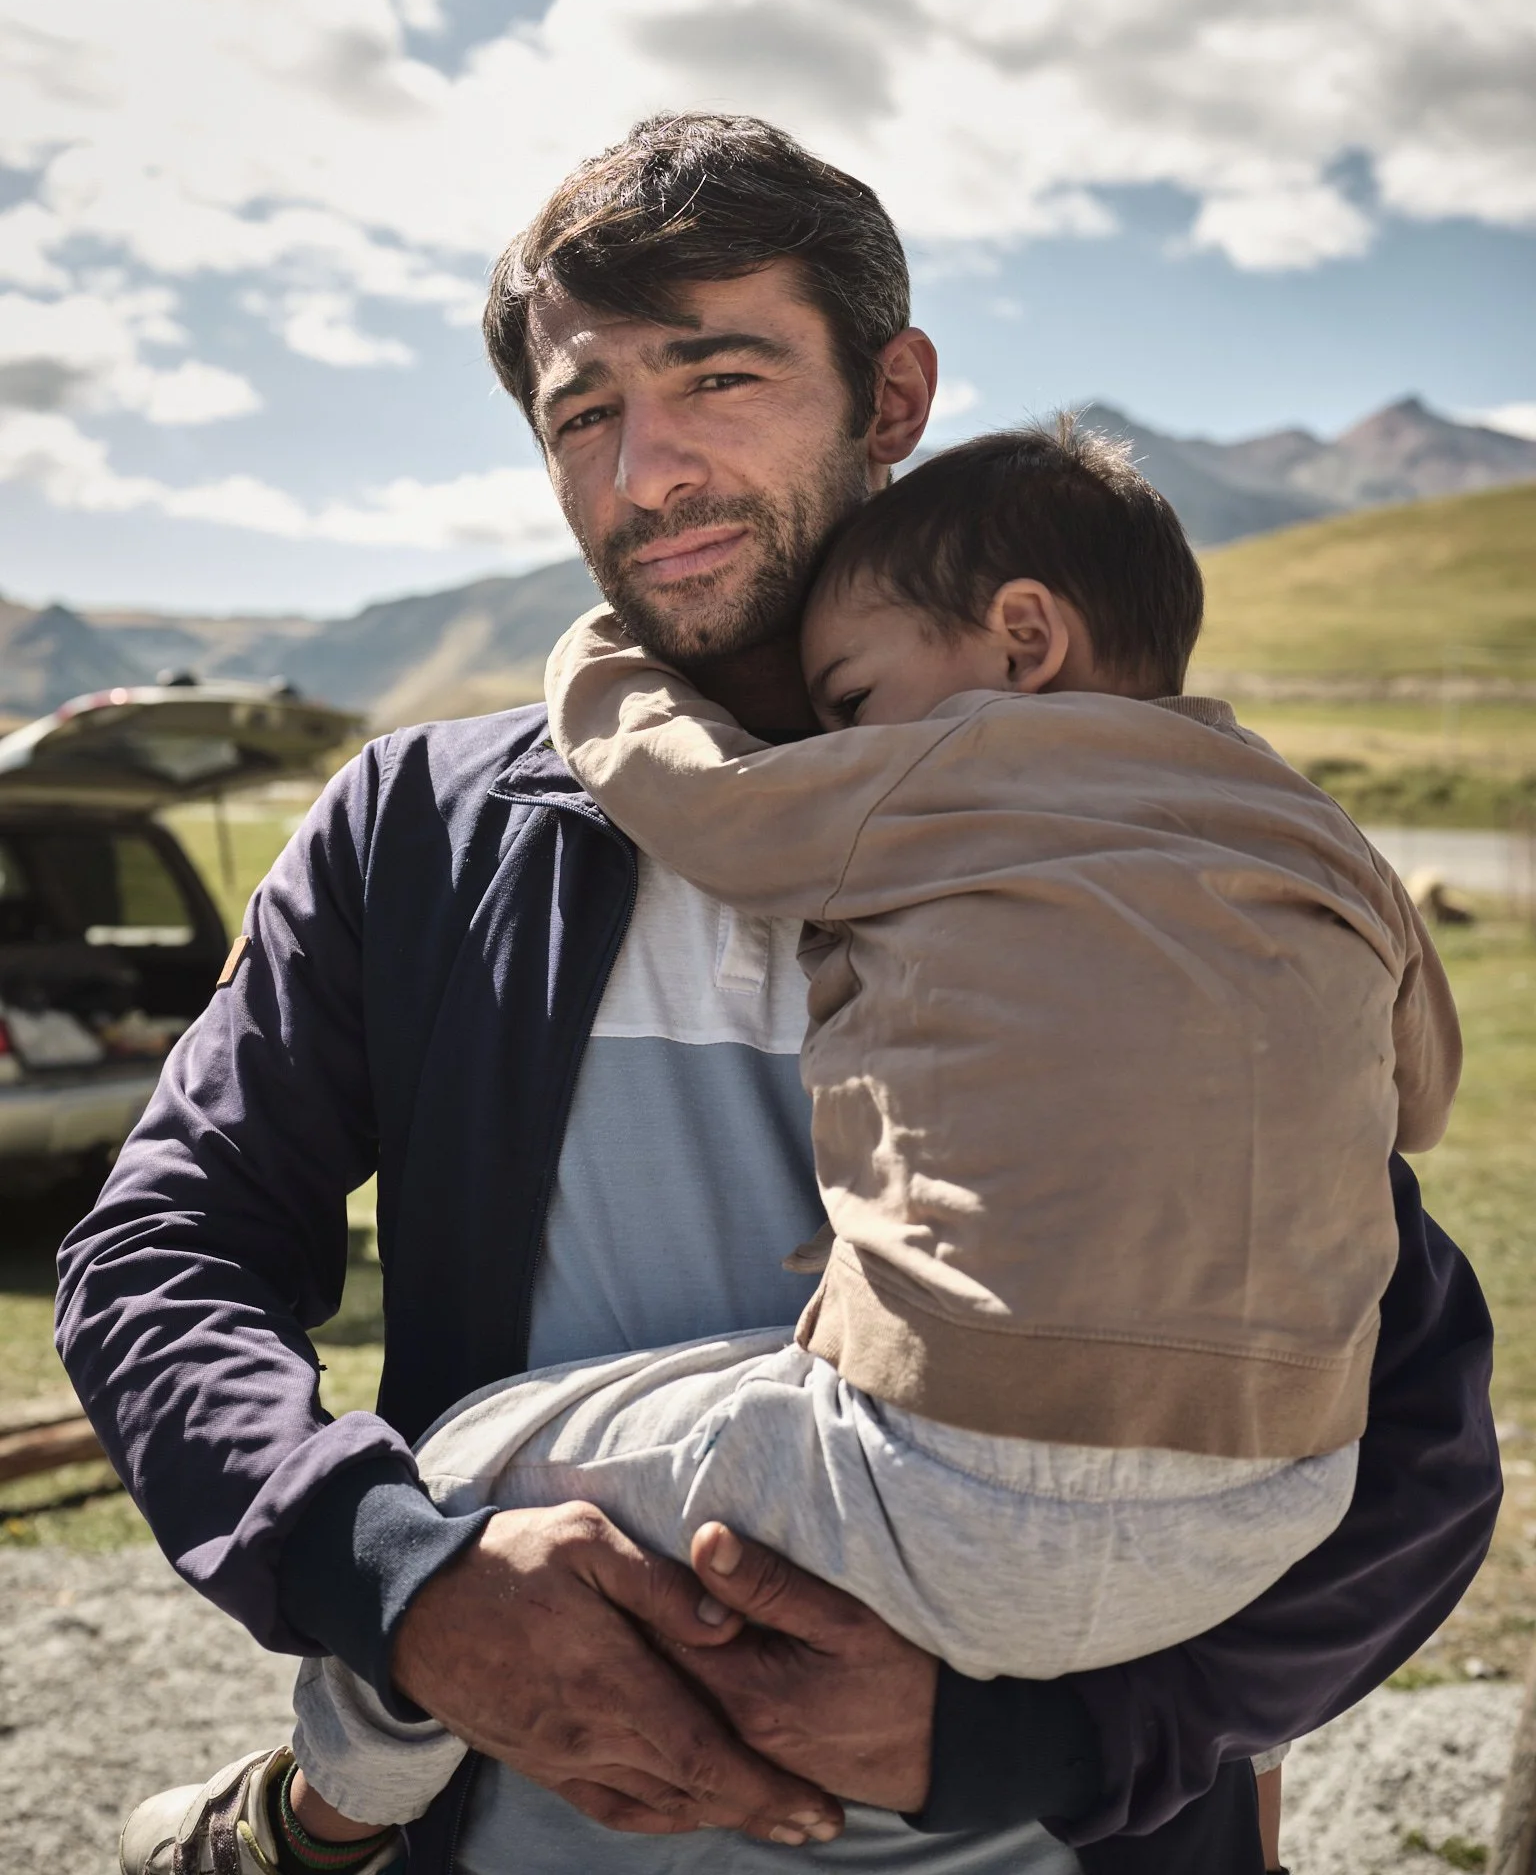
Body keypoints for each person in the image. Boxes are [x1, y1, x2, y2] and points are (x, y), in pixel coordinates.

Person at [65, 114, 1499, 1875]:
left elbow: (1413, 1429)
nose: (640, 476)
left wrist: (1034, 1741)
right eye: (581, 415)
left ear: (891, 399)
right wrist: (396, 1578)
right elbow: (163, 1252)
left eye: (717, 376)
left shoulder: (1131, 855)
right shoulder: (419, 834)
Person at [251, 418, 1460, 1852]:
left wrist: (601, 661)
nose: (839, 733)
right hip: (1273, 1511)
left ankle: (327, 1819)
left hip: (948, 1488)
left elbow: (709, 800)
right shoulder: (1324, 842)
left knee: (447, 1486)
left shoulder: (935, 782)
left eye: (855, 695)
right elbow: (1420, 1095)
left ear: (1022, 642)